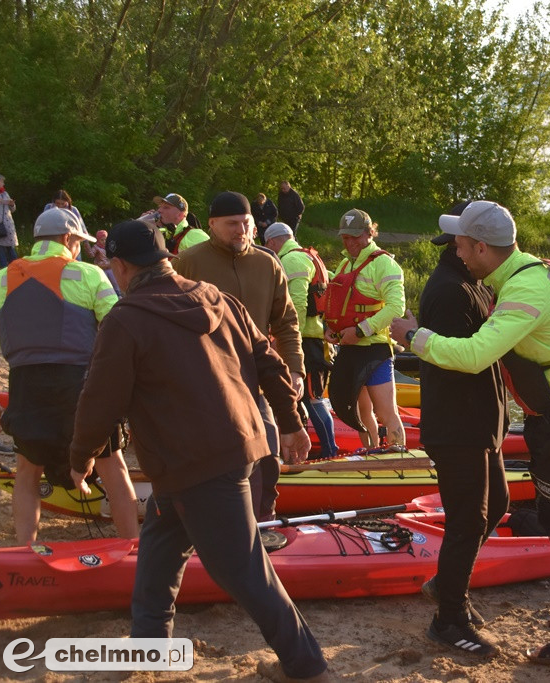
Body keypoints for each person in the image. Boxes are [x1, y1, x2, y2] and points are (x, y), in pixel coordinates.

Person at [68, 220, 329, 683]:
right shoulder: (216, 298)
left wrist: (81, 454)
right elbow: (270, 362)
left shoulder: (125, 320)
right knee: (160, 550)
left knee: (245, 572)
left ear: (122, 267)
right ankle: (148, 650)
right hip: (234, 446)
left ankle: (307, 666)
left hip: (197, 463)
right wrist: (290, 424)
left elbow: (99, 398)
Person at [390, 200, 550, 662]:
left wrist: (412, 336)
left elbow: (474, 356)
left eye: (462, 244)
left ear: (483, 247)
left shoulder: (526, 290)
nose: (456, 252)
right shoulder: (508, 279)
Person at [0, 207, 139, 544]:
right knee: (112, 466)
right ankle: (133, 546)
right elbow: (119, 329)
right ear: (68, 238)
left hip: (25, 386)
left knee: (28, 471)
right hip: (81, 385)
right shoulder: (89, 275)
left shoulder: (0, 280)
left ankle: (26, 550)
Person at [414, 200, 509, 657]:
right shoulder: (450, 291)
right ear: (465, 244)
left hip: (478, 424)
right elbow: (456, 364)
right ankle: (447, 619)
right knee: (467, 518)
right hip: (458, 426)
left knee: (497, 505)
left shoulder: (469, 284)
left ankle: (447, 585)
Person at [175, 191, 305, 522]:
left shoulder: (267, 264)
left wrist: (295, 369)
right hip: (206, 379)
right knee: (215, 459)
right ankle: (209, 523)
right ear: (212, 224)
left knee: (268, 452)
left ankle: (262, 523)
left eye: (246, 223)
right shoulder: (189, 263)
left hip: (257, 376)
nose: (241, 230)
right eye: (232, 224)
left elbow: (287, 322)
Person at [324, 209, 406, 448]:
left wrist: (360, 331)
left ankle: (397, 456)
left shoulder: (385, 264)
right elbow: (338, 304)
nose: (350, 242)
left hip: (374, 350)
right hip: (348, 348)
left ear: (370, 233)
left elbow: (396, 307)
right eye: (345, 237)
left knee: (386, 412)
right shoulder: (344, 264)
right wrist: (329, 329)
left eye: (355, 236)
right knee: (359, 413)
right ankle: (371, 453)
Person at [263, 222, 338, 460]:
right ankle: (304, 451)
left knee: (312, 399)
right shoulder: (308, 256)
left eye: (268, 244)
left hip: (305, 340)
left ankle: (329, 454)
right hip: (312, 337)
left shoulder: (292, 260)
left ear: (273, 242)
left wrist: (284, 336)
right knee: (304, 398)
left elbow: (295, 304)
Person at [139, 193, 209, 254]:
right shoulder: (158, 232)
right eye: (159, 207)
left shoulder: (195, 235)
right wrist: (140, 226)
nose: (159, 210)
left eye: (166, 207)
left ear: (180, 215)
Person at [0, 172, 19, 269]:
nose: (3, 184)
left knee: (11, 249)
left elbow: (13, 210)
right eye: (2, 181)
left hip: (8, 225)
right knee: (0, 249)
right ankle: (4, 271)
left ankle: (17, 268)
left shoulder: (5, 193)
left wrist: (11, 204)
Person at [89, 229, 121, 294]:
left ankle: (118, 293)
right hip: (101, 268)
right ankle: (104, 294)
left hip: (110, 267)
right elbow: (91, 254)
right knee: (103, 281)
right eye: (102, 240)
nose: (104, 241)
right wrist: (86, 244)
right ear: (98, 240)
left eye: (105, 239)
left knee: (114, 280)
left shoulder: (109, 246)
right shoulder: (96, 247)